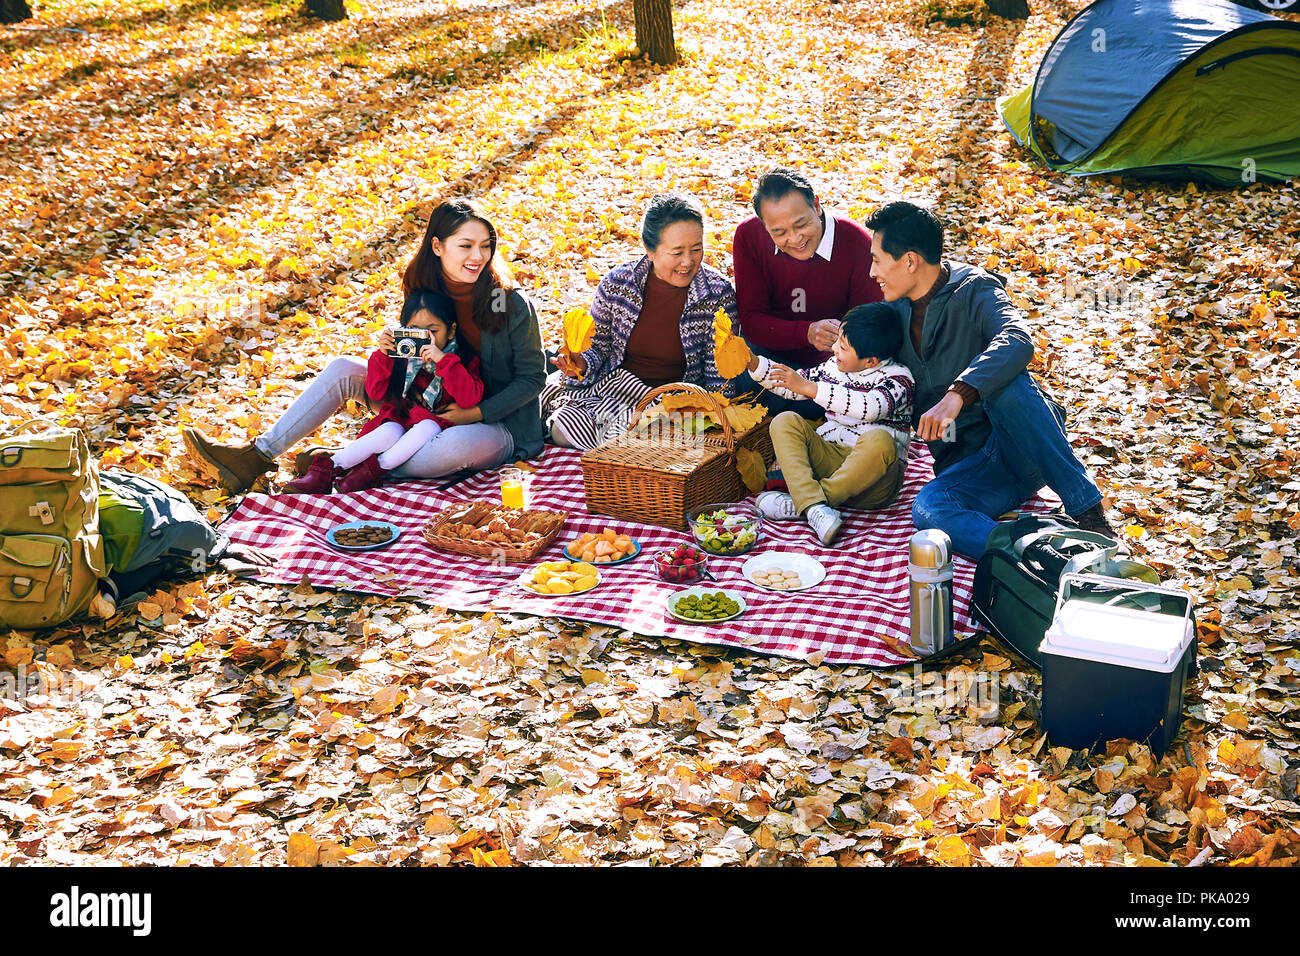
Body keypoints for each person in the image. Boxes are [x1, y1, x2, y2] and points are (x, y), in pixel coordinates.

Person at [182, 199, 546, 493]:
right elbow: (407, 367)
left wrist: (474, 414)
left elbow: (532, 380)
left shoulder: (509, 302)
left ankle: (342, 462)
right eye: (465, 245)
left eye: (485, 246)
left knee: (451, 449)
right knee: (343, 367)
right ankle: (256, 456)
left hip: (492, 421)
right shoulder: (424, 289)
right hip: (419, 406)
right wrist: (389, 351)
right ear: (437, 246)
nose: (477, 256)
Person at [863, 200, 1117, 559]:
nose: (871, 271)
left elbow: (1017, 339)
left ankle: (1089, 515)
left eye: (876, 259)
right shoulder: (893, 312)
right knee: (928, 510)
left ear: (909, 261)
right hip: (971, 468)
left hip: (1022, 443)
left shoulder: (975, 289)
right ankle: (1037, 556)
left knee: (1009, 387)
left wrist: (958, 394)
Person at [540, 193, 738, 450]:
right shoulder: (617, 284)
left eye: (696, 249)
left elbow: (720, 371)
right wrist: (582, 363)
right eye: (677, 252)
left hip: (675, 402)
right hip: (616, 389)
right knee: (562, 429)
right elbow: (598, 348)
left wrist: (717, 420)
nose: (688, 262)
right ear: (650, 250)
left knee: (649, 441)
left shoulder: (717, 294)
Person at [284, 289, 484, 494]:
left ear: (451, 331)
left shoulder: (462, 359)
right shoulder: (403, 355)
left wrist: (443, 361)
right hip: (403, 419)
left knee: (427, 426)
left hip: (437, 427)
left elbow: (469, 398)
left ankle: (366, 474)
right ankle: (326, 472)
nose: (423, 339)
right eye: (415, 331)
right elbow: (375, 392)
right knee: (388, 431)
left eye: (432, 331)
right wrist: (384, 354)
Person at [747, 303, 915, 546]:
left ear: (871, 361)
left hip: (874, 480)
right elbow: (794, 385)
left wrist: (811, 388)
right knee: (785, 421)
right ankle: (815, 507)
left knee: (881, 440)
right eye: (837, 340)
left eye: (843, 347)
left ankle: (804, 503)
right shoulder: (832, 368)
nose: (834, 348)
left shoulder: (898, 380)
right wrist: (754, 363)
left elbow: (868, 407)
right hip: (831, 459)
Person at [731, 167, 884, 416]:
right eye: (779, 232)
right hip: (772, 359)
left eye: (801, 224)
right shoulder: (749, 236)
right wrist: (807, 333)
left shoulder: (855, 243)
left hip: (834, 371)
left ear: (816, 205)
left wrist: (842, 341)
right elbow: (751, 321)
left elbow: (871, 327)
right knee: (742, 373)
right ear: (764, 225)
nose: (795, 239)